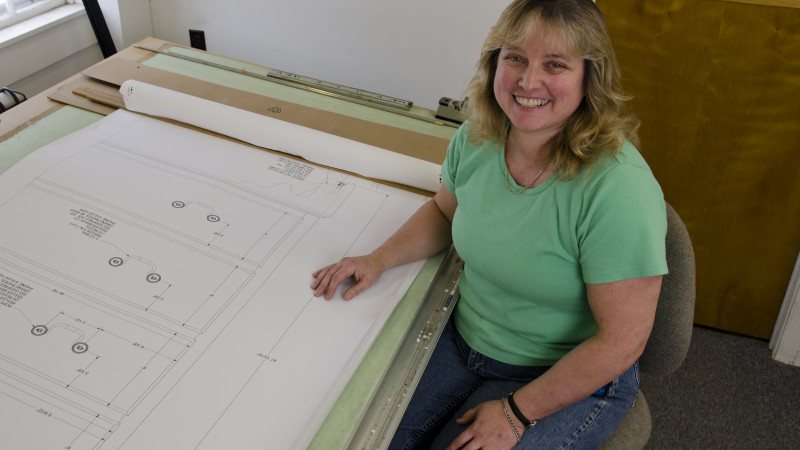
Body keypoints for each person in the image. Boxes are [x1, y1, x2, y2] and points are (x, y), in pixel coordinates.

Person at [311, 0, 667, 448]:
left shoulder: (619, 189)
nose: (528, 80)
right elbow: (444, 212)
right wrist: (379, 259)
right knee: (359, 440)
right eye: (515, 57)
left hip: (565, 374)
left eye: (554, 64)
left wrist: (518, 413)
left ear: (589, 78)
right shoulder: (477, 136)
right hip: (464, 344)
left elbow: (622, 342)